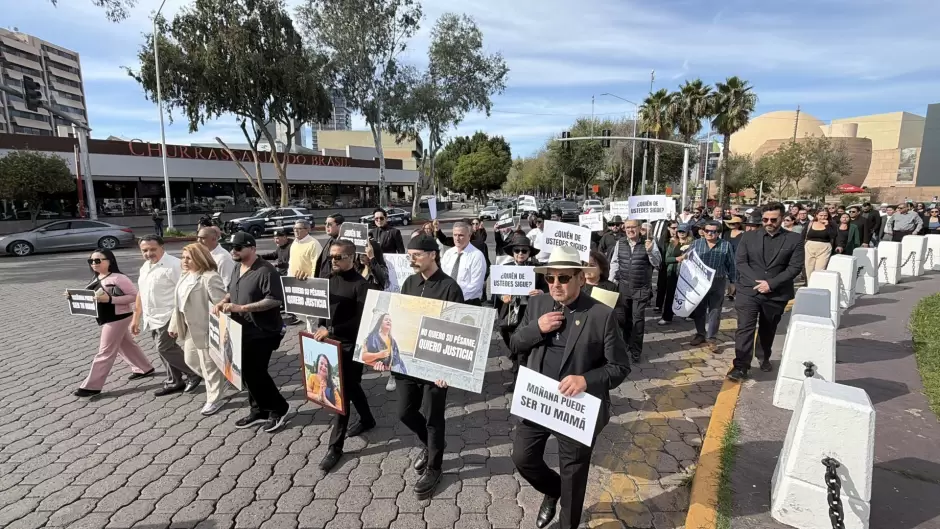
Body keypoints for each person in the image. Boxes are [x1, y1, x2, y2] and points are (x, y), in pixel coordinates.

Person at [509, 245, 631, 529]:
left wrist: (586, 380)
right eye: (550, 278)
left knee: (574, 476)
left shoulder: (601, 315)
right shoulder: (538, 305)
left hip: (576, 408)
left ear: (580, 278)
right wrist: (536, 328)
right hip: (537, 400)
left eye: (563, 278)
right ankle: (553, 490)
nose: (555, 285)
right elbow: (515, 343)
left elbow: (620, 367)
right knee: (522, 457)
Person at [373, 234, 463, 500]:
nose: (412, 260)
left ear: (433, 254)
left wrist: (450, 370)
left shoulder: (450, 288)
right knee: (404, 412)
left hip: (436, 366)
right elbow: (399, 322)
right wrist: (385, 355)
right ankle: (430, 444)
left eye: (417, 255)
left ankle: (435, 466)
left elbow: (458, 332)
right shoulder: (410, 283)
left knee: (434, 417)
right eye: (409, 255)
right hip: (407, 362)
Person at [213, 232, 291, 433]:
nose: (233, 251)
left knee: (255, 372)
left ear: (252, 248)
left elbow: (274, 300)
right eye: (231, 248)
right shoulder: (238, 267)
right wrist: (224, 301)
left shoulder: (266, 271)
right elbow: (233, 290)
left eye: (238, 248)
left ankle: (279, 408)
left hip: (263, 331)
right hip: (240, 329)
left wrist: (241, 308)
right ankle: (259, 409)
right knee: (246, 373)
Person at [313, 239, 379, 471]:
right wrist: (301, 283)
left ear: (352, 258)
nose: (334, 260)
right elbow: (315, 304)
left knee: (341, 396)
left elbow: (361, 321)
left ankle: (335, 447)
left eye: (339, 257)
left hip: (350, 346)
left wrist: (331, 330)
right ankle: (368, 419)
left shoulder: (361, 285)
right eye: (331, 256)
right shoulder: (329, 280)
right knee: (351, 387)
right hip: (327, 344)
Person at [728, 202, 804, 381]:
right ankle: (741, 366)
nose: (769, 222)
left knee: (767, 329)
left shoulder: (794, 239)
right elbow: (741, 263)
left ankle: (763, 356)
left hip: (776, 293)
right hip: (749, 291)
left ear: (782, 219)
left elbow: (795, 267)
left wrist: (771, 284)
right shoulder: (748, 237)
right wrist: (758, 283)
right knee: (745, 328)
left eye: (773, 219)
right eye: (765, 219)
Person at [71, 249, 155, 396]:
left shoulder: (118, 278)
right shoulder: (97, 277)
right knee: (126, 345)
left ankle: (92, 386)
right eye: (90, 261)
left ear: (109, 260)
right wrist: (74, 297)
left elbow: (134, 296)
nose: (94, 264)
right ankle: (143, 368)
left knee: (105, 351)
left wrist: (110, 299)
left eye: (98, 260)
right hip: (106, 317)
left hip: (118, 317)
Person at [132, 235, 201, 396]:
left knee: (164, 347)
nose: (149, 253)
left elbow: (186, 290)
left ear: (162, 247)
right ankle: (174, 381)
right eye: (145, 250)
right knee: (163, 350)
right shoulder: (145, 267)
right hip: (152, 316)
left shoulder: (174, 265)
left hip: (169, 314)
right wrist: (136, 318)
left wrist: (182, 318)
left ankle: (194, 372)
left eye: (152, 249)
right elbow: (141, 293)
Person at [168, 243, 230, 415]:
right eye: (183, 257)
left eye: (189, 257)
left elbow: (221, 304)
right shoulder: (185, 276)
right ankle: (220, 381)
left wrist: (222, 330)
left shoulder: (210, 277)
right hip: (189, 327)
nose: (185, 261)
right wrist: (174, 325)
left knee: (208, 365)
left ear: (200, 258)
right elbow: (178, 304)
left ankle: (214, 399)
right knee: (190, 360)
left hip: (207, 329)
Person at [494, 232, 546, 391]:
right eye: (517, 251)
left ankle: (519, 383)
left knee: (522, 348)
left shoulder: (536, 270)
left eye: (524, 251)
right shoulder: (505, 268)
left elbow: (546, 288)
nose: (521, 254)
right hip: (508, 313)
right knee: (511, 342)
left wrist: (541, 292)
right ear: (512, 253)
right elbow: (497, 289)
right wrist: (503, 295)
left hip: (527, 313)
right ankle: (516, 363)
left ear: (530, 253)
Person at [608, 219, 661, 362]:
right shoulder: (620, 243)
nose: (630, 230)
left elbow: (657, 264)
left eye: (633, 227)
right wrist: (611, 282)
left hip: (641, 288)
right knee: (624, 319)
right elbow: (615, 263)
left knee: (638, 320)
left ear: (639, 228)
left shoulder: (649, 242)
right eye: (627, 227)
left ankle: (636, 351)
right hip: (624, 287)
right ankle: (625, 345)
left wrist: (650, 252)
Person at [683, 221, 736, 352]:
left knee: (715, 311)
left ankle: (711, 339)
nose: (709, 233)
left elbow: (731, 264)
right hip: (700, 282)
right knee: (699, 309)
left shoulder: (725, 245)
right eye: (707, 230)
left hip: (718, 281)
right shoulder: (696, 244)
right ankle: (700, 334)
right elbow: (688, 260)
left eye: (713, 231)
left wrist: (733, 282)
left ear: (718, 233)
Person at [288, 219, 324, 331]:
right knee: (299, 312)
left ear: (307, 230)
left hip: (308, 285)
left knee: (311, 316)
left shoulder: (313, 244)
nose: (296, 231)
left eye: (299, 229)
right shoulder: (294, 243)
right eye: (294, 229)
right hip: (294, 283)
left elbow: (317, 266)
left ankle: (315, 336)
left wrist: (313, 283)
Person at [440, 222, 487, 305]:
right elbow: (442, 278)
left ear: (469, 236)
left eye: (461, 235)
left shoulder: (477, 256)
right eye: (455, 235)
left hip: (468, 302)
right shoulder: (448, 253)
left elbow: (476, 286)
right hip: (447, 301)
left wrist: (455, 297)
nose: (457, 238)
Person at [583, 250, 626, 330]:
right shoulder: (577, 286)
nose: (587, 268)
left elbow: (620, 317)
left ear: (601, 269)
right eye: (585, 265)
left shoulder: (611, 287)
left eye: (592, 265)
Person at [658, 224, 691, 325]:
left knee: (687, 294)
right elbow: (666, 259)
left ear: (687, 232)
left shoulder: (692, 244)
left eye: (683, 231)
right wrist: (677, 259)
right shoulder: (672, 243)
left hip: (687, 273)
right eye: (679, 231)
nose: (681, 233)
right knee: (670, 295)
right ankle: (667, 317)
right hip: (673, 272)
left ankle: (689, 314)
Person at [803, 208, 837, 282]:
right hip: (810, 247)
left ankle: (818, 286)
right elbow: (803, 236)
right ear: (816, 215)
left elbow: (833, 236)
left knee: (820, 269)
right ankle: (810, 286)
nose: (823, 217)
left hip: (824, 248)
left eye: (825, 215)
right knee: (809, 268)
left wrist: (827, 225)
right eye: (821, 215)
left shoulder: (831, 224)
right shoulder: (810, 223)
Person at [198, 226, 236, 290]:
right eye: (198, 237)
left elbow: (228, 284)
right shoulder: (203, 254)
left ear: (214, 239)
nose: (199, 240)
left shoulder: (223, 258)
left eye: (203, 238)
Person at [654, 221, 679, 313]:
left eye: (677, 228)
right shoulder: (664, 239)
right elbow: (659, 251)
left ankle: (672, 307)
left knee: (673, 288)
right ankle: (658, 305)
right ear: (668, 228)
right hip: (664, 266)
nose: (675, 230)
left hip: (675, 266)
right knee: (661, 286)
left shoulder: (680, 238)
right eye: (673, 228)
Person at [315, 214, 344, 278]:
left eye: (330, 224)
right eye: (325, 223)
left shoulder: (344, 243)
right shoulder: (330, 239)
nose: (326, 226)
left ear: (340, 226)